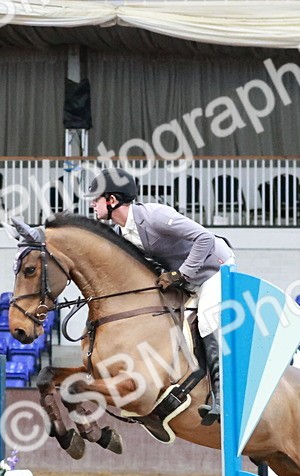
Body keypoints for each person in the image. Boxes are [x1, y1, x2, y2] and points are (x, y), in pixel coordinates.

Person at [86, 167, 234, 426]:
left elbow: (204, 239)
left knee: (207, 321)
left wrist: (181, 274)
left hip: (214, 270)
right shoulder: (122, 234)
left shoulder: (154, 216)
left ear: (112, 200)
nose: (92, 204)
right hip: (187, 279)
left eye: (95, 199)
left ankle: (221, 396)